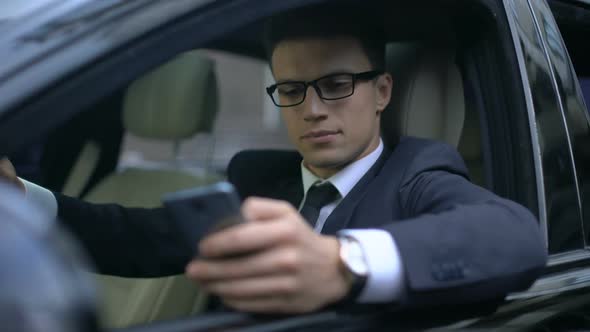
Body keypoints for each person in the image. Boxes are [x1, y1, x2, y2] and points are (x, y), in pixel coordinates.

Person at [0, 6, 546, 315]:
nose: (310, 110)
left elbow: (514, 235)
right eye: (290, 89)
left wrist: (341, 263)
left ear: (382, 91)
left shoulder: (416, 173)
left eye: (335, 85)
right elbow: (135, 236)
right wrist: (21, 200)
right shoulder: (260, 181)